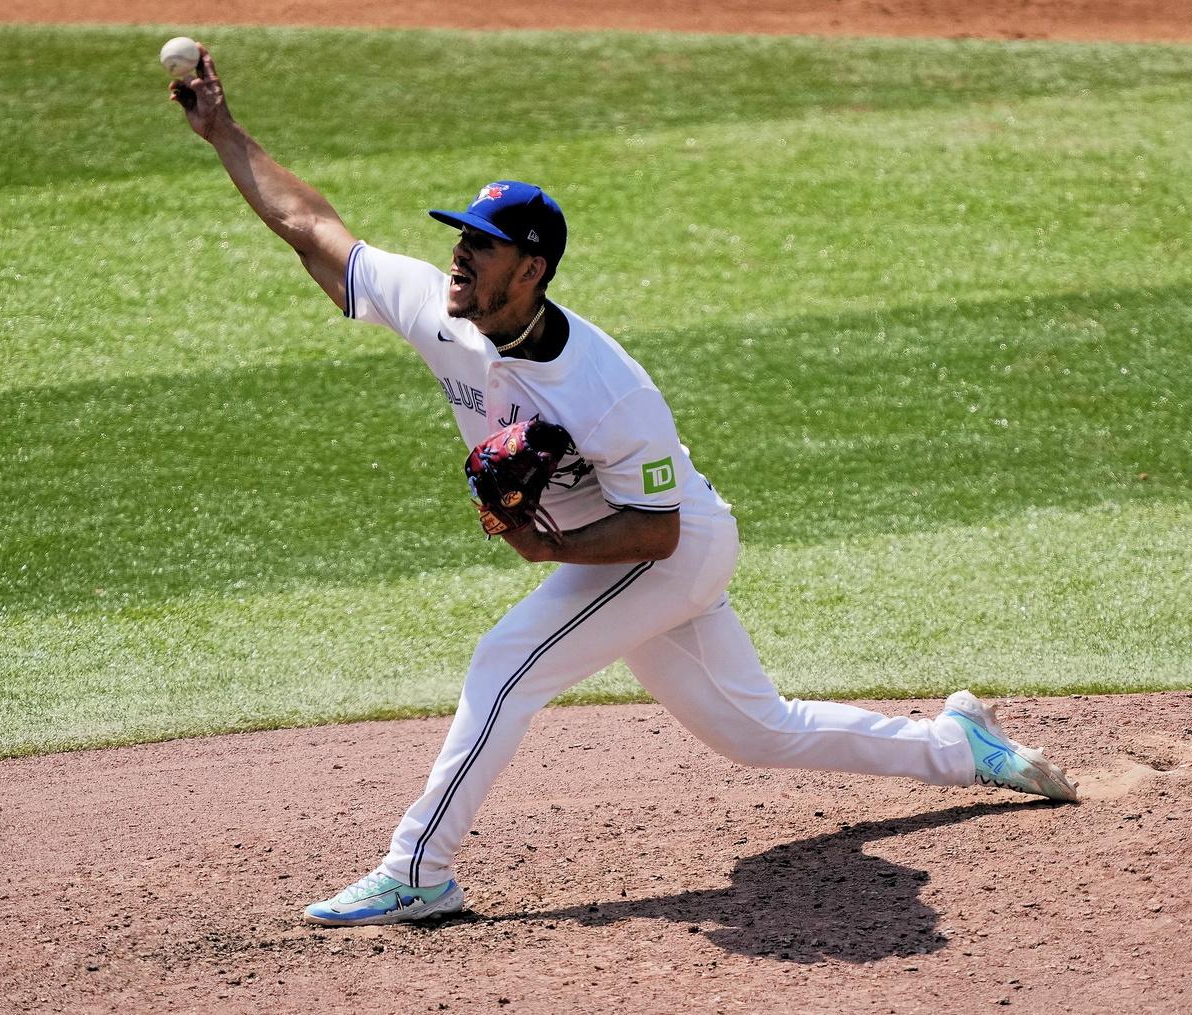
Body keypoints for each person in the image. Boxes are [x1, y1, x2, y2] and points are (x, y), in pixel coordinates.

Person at [169, 46, 1078, 929]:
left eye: (480, 248)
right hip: (631, 547)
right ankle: (963, 746)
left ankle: (418, 871)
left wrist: (545, 548)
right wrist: (224, 133)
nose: (457, 257)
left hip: (667, 544)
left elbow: (656, 532)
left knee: (503, 664)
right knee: (754, 732)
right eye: (459, 238)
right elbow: (312, 227)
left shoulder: (608, 388)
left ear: (529, 271)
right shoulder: (438, 312)